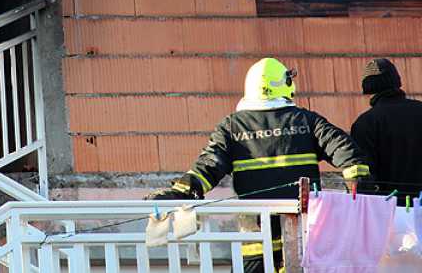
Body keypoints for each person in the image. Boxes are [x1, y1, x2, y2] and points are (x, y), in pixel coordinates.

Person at [146, 57, 371, 273]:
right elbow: (347, 152)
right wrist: (358, 187)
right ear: (285, 84)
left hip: (254, 238)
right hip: (303, 236)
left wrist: (182, 191)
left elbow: (209, 165)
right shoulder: (306, 121)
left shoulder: (232, 126)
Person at [351, 58, 422, 201]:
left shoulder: (365, 123)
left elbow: (365, 178)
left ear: (368, 90)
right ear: (397, 82)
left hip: (388, 210)